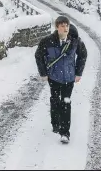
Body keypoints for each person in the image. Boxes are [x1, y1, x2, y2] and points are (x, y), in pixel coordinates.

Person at [35, 16, 87, 144]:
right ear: (57, 27)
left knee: (66, 103)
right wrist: (43, 73)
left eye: (67, 26)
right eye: (62, 26)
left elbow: (83, 55)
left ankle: (65, 133)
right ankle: (55, 123)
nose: (65, 28)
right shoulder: (47, 41)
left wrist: (78, 73)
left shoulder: (75, 41)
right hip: (53, 78)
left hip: (69, 78)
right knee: (55, 100)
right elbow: (38, 55)